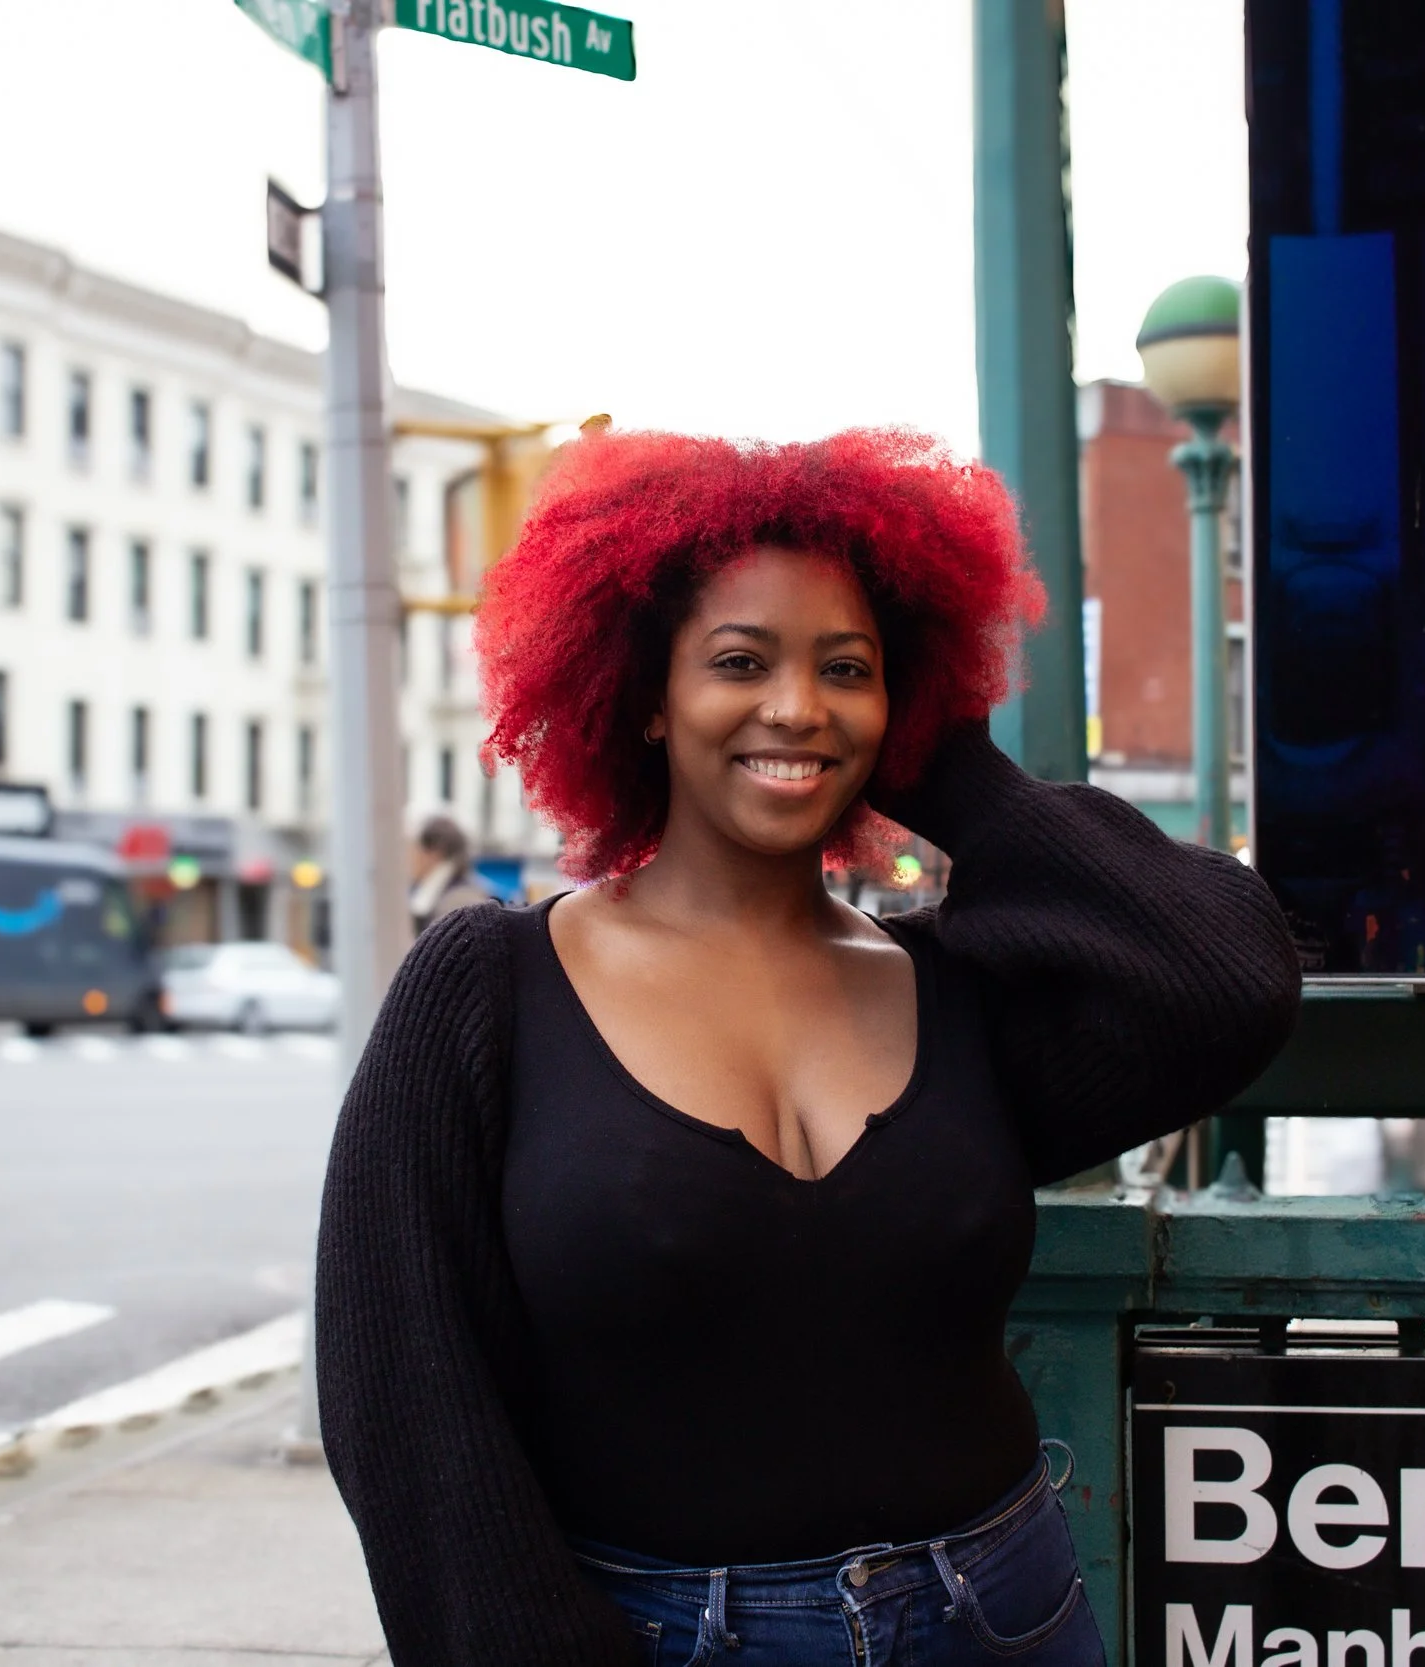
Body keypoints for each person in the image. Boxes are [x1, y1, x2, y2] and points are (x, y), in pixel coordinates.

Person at [317, 427, 1302, 1666]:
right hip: (658, 1633)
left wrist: (944, 763)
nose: (796, 704)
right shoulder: (485, 989)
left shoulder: (952, 990)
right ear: (641, 698)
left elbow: (1227, 981)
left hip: (1003, 1611)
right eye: (739, 661)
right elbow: (399, 1399)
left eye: (848, 667)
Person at [407, 814, 494, 934]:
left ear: (434, 853)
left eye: (414, 849)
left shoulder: (461, 900)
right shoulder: (432, 893)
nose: (409, 857)